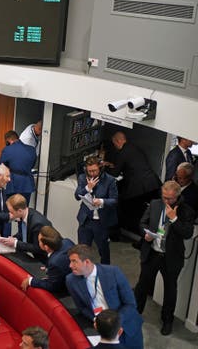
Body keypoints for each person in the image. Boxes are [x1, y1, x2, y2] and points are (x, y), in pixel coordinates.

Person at [133, 180, 195, 336]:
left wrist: (174, 219)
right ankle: (134, 313)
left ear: (178, 196)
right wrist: (145, 233)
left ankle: (167, 321)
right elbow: (142, 222)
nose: (166, 201)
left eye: (170, 199)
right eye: (164, 197)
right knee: (142, 286)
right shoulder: (155, 204)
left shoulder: (186, 211)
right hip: (152, 252)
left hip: (171, 258)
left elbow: (187, 233)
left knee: (170, 290)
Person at [66, 244, 143, 349]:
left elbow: (130, 303)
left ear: (87, 262)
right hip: (101, 330)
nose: (70, 265)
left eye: (74, 261)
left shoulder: (113, 272)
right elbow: (82, 308)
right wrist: (96, 320)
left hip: (125, 325)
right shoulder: (71, 281)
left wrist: (113, 322)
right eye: (70, 261)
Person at [104, 131, 161, 237]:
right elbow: (131, 164)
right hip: (153, 183)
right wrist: (113, 165)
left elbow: (114, 173)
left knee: (122, 205)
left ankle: (118, 233)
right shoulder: (133, 148)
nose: (115, 147)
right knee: (147, 211)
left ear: (117, 141)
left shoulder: (122, 152)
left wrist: (105, 167)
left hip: (140, 188)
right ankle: (143, 235)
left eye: (114, 144)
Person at [74, 156, 119, 264]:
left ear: (100, 168)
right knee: (82, 250)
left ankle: (105, 271)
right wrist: (87, 188)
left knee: (103, 250)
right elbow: (77, 196)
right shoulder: (82, 178)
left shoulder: (110, 180)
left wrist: (102, 201)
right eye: (89, 171)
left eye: (94, 170)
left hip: (101, 222)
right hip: (86, 220)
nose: (92, 173)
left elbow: (114, 200)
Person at [21, 226, 74, 294]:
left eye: (39, 241)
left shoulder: (54, 262)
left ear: (46, 247)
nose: (38, 243)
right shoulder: (67, 241)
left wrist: (31, 281)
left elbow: (51, 286)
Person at [0, 194, 52, 261]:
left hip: (43, 259)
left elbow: (38, 248)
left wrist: (15, 243)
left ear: (19, 211)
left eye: (12, 212)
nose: (10, 215)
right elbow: (22, 233)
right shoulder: (23, 215)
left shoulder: (37, 224)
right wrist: (13, 238)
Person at [0, 130, 36, 204]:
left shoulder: (7, 149)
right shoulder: (32, 149)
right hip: (27, 184)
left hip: (12, 184)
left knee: (11, 208)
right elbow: (32, 165)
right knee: (23, 209)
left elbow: (1, 167)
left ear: (9, 140)